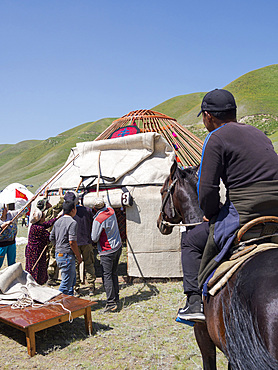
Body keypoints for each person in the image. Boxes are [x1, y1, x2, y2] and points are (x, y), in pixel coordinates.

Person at [178, 89, 278, 322]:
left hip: (246, 209)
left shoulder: (216, 137)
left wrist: (212, 214)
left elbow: (207, 190)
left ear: (208, 116)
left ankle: (194, 301)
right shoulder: (259, 133)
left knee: (191, 241)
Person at [91, 197, 122, 312]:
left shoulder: (98, 220)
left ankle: (111, 303)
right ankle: (116, 298)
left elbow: (94, 238)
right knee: (114, 273)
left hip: (107, 250)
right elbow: (107, 203)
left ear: (94, 208)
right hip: (117, 247)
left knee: (107, 275)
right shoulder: (111, 210)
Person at [64, 191, 96, 297]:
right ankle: (91, 287)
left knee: (75, 266)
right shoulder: (87, 210)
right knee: (89, 263)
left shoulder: (67, 215)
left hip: (74, 243)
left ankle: (76, 289)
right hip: (86, 241)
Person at [50, 201, 83, 295]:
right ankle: (55, 303)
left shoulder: (58, 221)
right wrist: (79, 256)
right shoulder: (72, 223)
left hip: (59, 254)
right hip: (67, 255)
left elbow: (51, 237)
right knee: (66, 283)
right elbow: (72, 242)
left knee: (71, 282)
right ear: (73, 210)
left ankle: (69, 304)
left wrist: (58, 246)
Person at [37, 187, 64, 285]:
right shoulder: (51, 211)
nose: (49, 203)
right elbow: (61, 203)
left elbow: (43, 202)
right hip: (51, 238)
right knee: (52, 258)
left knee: (46, 257)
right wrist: (61, 193)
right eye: (48, 202)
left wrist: (45, 193)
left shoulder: (39, 214)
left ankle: (44, 276)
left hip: (42, 238)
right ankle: (51, 278)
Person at [25, 208, 59, 285]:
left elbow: (47, 224)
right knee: (36, 268)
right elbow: (49, 237)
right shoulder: (39, 228)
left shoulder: (36, 225)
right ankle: (35, 283)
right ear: (40, 219)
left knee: (36, 267)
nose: (45, 217)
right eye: (43, 216)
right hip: (35, 251)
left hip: (33, 250)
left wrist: (56, 218)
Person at [0, 203, 22, 268]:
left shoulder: (11, 214)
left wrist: (29, 202)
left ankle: (12, 276)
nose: (6, 209)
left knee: (12, 264)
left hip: (11, 243)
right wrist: (5, 224)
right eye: (4, 208)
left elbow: (21, 211)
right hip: (1, 245)